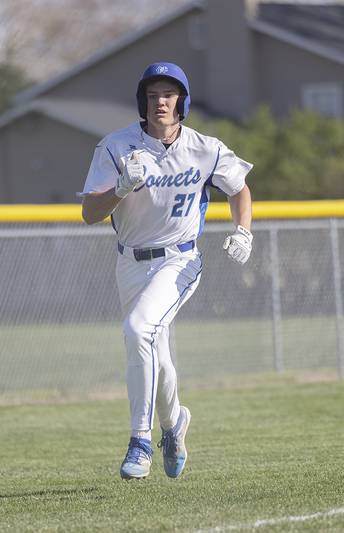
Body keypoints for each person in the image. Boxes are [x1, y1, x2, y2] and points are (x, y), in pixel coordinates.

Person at [79, 62, 253, 480]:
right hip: (129, 262)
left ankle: (140, 440)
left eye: (169, 94)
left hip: (180, 259)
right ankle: (174, 425)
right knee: (155, 354)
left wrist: (244, 231)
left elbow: (240, 189)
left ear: (182, 101)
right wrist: (120, 188)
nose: (160, 101)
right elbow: (89, 213)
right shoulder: (116, 147)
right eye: (153, 94)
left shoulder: (205, 148)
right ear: (143, 101)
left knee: (138, 330)